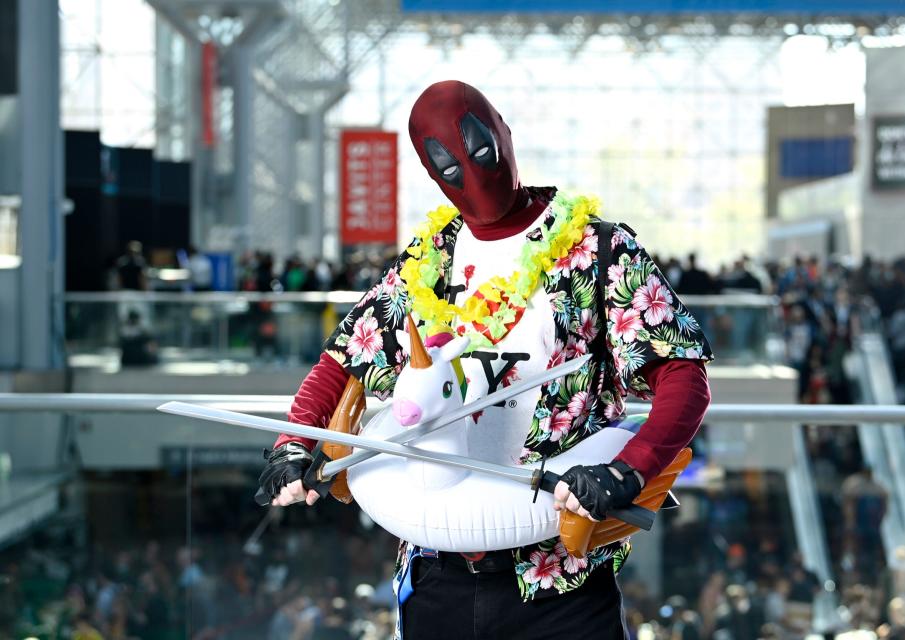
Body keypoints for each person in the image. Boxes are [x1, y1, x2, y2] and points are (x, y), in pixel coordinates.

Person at [258, 80, 713, 639]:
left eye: (480, 149)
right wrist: (293, 445)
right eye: (449, 164)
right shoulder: (427, 263)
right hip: (437, 572)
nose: (472, 173)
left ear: (504, 133)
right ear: (431, 173)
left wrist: (628, 467)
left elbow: (683, 376)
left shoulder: (598, 250)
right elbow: (341, 360)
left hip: (561, 582)